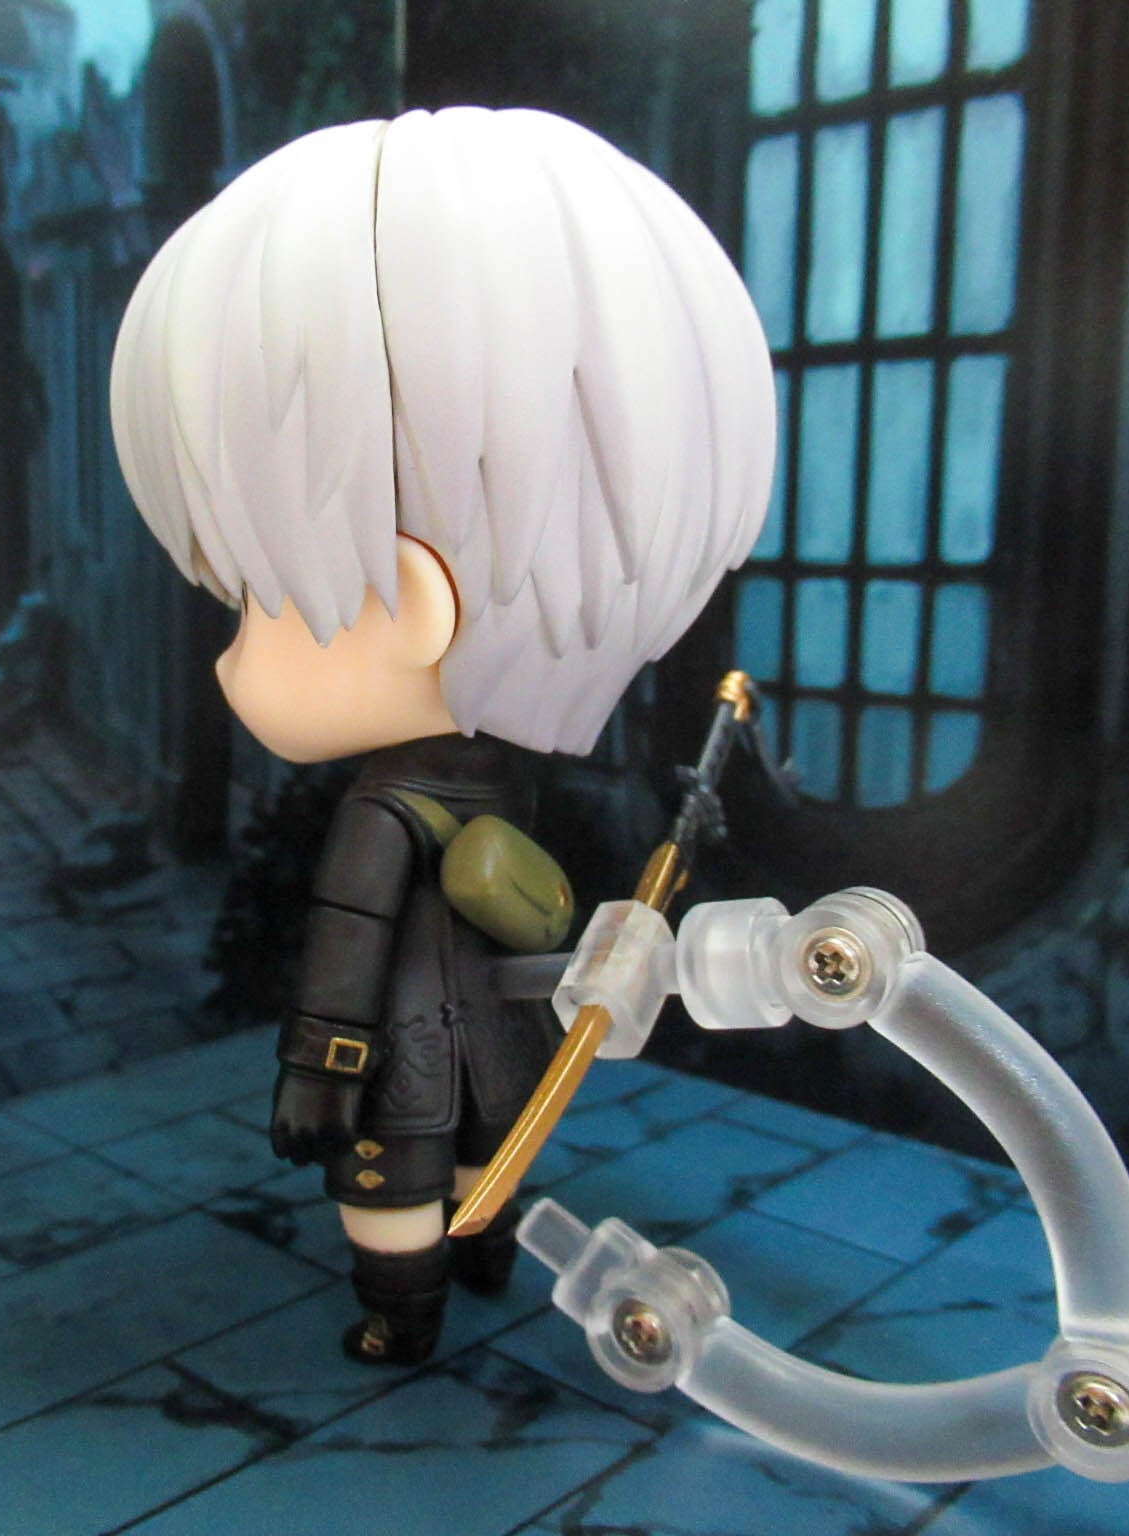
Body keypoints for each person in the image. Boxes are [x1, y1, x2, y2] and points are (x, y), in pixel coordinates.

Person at [109, 105, 776, 1363]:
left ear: (413, 607)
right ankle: (483, 1258)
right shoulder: (501, 791)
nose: (229, 652)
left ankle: (399, 1314)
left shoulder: (381, 811)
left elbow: (348, 945)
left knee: (389, 1189)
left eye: (254, 600)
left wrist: (318, 1070)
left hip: (405, 1064)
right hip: (504, 1052)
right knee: (486, 1159)